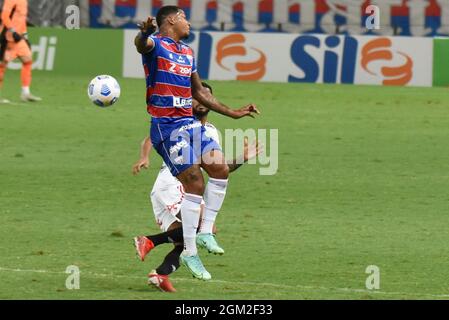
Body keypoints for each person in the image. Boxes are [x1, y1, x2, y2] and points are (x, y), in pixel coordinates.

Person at [134, 5, 259, 280]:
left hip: (189, 124)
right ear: (171, 20)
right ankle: (189, 250)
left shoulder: (187, 53)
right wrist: (143, 33)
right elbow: (141, 44)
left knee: (220, 169)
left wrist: (235, 113)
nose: (188, 23)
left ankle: (204, 233)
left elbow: (200, 92)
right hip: (166, 127)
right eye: (184, 18)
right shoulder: (157, 45)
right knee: (195, 183)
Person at [132, 82, 262, 292]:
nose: (201, 101)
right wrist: (144, 157)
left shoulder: (210, 131)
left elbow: (219, 167)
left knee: (184, 240)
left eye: (205, 97)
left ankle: (160, 274)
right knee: (206, 227)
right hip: (174, 184)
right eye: (197, 97)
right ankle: (150, 241)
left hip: (171, 188)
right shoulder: (182, 123)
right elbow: (150, 137)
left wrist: (243, 158)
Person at [0, 0, 41, 103]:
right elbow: (4, 16)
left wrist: (25, 37)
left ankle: (25, 93)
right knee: (2, 65)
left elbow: (21, 21)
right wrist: (12, 31)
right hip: (7, 37)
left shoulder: (24, 1)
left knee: (28, 60)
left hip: (18, 38)